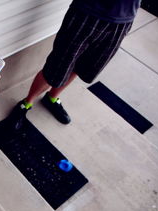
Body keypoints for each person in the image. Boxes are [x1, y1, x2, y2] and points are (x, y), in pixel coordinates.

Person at [9, 0, 141, 129]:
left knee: (82, 65)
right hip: (88, 13)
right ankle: (26, 103)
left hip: (124, 20)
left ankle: (51, 99)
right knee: (57, 67)